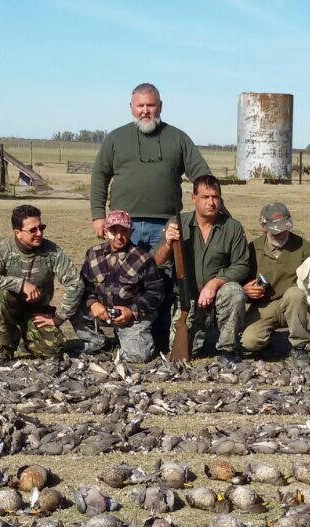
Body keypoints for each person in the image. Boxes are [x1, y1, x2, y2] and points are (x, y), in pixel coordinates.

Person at [91, 83, 211, 352]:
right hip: (124, 225)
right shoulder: (116, 139)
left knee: (163, 281)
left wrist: (211, 203)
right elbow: (99, 176)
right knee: (125, 280)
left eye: (151, 105)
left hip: (165, 224)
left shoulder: (177, 138)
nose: (146, 111)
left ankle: (161, 337)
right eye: (140, 106)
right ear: (131, 107)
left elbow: (200, 173)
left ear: (160, 106)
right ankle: (127, 333)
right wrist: (98, 215)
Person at [241, 202, 310, 367]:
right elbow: (238, 277)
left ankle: (301, 347)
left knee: (295, 293)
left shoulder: (300, 245)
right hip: (264, 307)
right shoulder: (252, 249)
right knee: (248, 343)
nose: (282, 233)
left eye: (285, 228)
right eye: (276, 230)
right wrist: (245, 290)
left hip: (293, 304)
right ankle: (267, 339)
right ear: (264, 228)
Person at [158, 174, 248, 364]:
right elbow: (156, 263)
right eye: (205, 197)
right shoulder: (177, 224)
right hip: (187, 299)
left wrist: (214, 284)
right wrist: (167, 244)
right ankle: (199, 332)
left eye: (215, 197)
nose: (211, 202)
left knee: (235, 292)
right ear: (193, 198)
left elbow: (241, 265)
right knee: (187, 353)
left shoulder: (232, 227)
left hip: (217, 296)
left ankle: (228, 349)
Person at [0, 204, 83, 362]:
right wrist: (20, 284)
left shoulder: (52, 251)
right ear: (17, 233)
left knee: (54, 351)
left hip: (38, 312)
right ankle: (7, 346)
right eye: (33, 230)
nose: (39, 233)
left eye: (41, 227)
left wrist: (60, 317)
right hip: (10, 309)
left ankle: (27, 339)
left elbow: (75, 283)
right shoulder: (2, 250)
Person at [71, 210, 164, 362]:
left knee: (138, 357)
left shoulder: (143, 258)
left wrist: (131, 311)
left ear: (131, 232)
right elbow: (84, 286)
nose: (119, 236)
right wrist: (92, 303)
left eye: (124, 231)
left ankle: (127, 338)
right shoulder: (93, 254)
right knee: (72, 305)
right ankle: (97, 342)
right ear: (106, 231)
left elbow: (156, 292)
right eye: (114, 231)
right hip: (101, 312)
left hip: (132, 317)